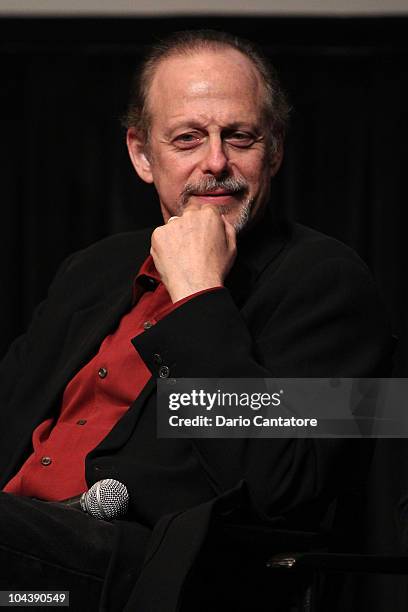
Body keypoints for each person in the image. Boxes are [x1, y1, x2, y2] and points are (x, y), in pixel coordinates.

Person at [0, 30, 392, 611]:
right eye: (188, 138)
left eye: (240, 137)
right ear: (141, 155)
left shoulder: (327, 280)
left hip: (142, 576)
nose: (216, 162)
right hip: (26, 580)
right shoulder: (93, 269)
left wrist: (199, 297)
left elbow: (279, 488)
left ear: (275, 150)